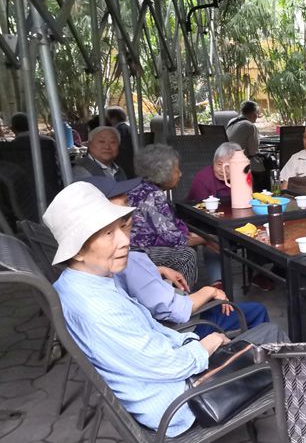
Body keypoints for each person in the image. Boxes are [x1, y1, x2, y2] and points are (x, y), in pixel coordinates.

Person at [43, 182, 287, 437]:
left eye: (121, 228)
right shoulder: (98, 307)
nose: (124, 240)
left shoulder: (76, 284)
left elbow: (150, 341)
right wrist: (207, 345)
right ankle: (303, 415)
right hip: (182, 400)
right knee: (272, 336)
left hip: (164, 384)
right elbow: (168, 365)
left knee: (259, 340)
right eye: (107, 234)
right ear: (78, 251)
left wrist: (189, 341)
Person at [80, 175, 269, 337]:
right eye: (123, 205)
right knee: (257, 310)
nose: (131, 208)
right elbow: (176, 309)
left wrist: (157, 270)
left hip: (164, 314)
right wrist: (210, 291)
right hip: (181, 329)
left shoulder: (90, 269)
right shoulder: (131, 259)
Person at [128, 144, 218, 287]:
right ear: (163, 173)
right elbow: (174, 239)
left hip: (136, 248)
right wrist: (206, 239)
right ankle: (184, 297)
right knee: (186, 255)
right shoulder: (152, 195)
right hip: (137, 252)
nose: (180, 174)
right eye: (177, 170)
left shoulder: (142, 188)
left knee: (191, 243)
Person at [106, 106, 135, 178]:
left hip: (124, 164)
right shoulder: (126, 128)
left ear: (114, 118)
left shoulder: (119, 130)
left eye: (108, 118)